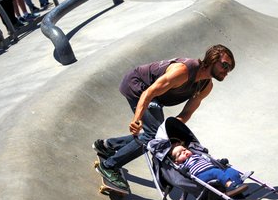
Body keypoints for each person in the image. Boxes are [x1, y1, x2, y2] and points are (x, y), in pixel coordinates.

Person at [92, 44, 236, 191]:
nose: (226, 71)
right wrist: (137, 119)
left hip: (156, 98)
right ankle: (109, 166)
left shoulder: (206, 86)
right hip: (138, 86)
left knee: (157, 134)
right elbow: (149, 92)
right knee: (153, 137)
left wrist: (169, 131)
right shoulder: (183, 71)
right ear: (212, 59)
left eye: (229, 69)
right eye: (225, 65)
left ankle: (107, 145)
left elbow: (187, 113)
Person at [169, 144, 247, 196]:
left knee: (230, 171)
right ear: (177, 161)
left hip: (214, 170)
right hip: (201, 176)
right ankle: (231, 187)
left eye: (184, 149)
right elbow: (182, 172)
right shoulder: (182, 164)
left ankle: (236, 186)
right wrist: (183, 171)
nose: (184, 152)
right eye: (180, 154)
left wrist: (221, 162)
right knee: (216, 172)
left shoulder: (198, 155)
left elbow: (211, 160)